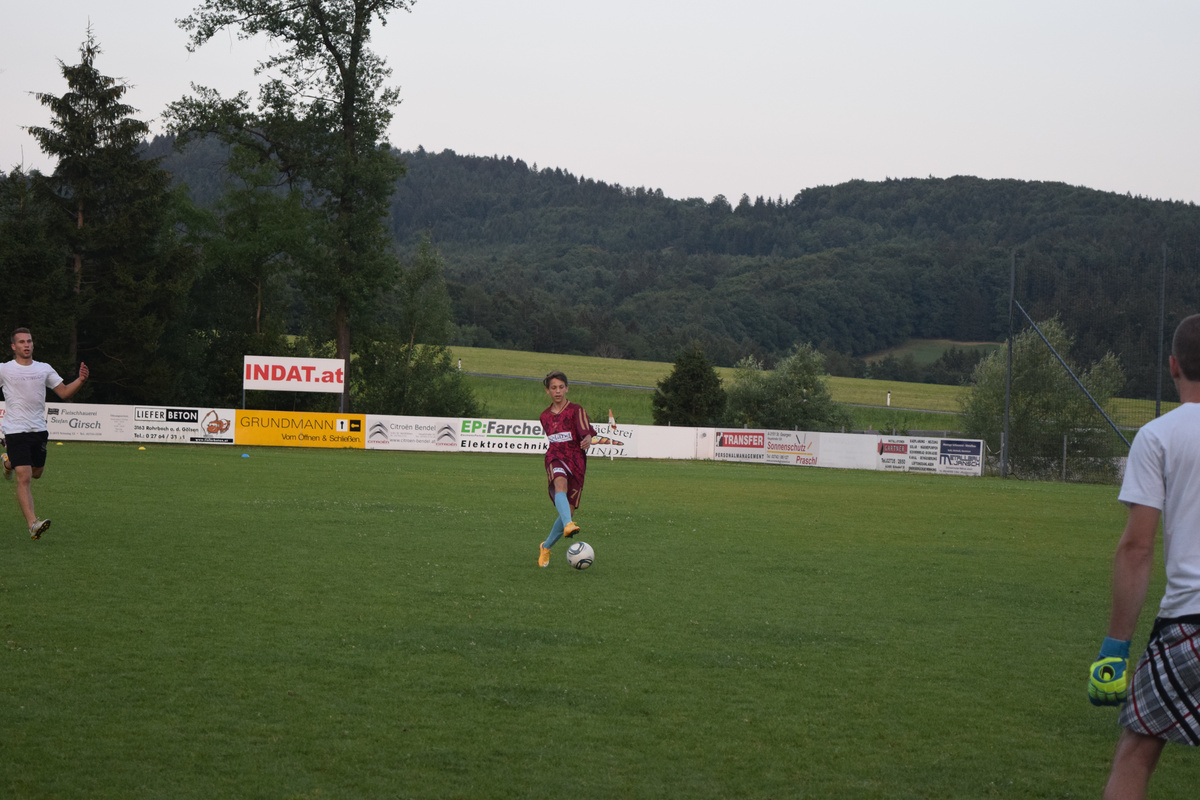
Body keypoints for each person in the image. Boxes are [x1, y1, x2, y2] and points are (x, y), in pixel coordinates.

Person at [1089, 313, 1200, 799]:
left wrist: (1115, 648)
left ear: (1173, 365)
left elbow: (1137, 548)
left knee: (1135, 755)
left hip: (1188, 624)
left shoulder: (1158, 436)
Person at [1, 328, 88, 539]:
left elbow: (64, 392)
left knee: (37, 472)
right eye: (21, 342)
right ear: (13, 347)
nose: (26, 345)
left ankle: (8, 462)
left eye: (29, 341)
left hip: (39, 429)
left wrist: (80, 380)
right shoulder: (4, 369)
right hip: (15, 430)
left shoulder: (44, 369)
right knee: (24, 478)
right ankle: (33, 524)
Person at [537, 371, 596, 567]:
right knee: (559, 484)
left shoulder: (576, 410)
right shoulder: (544, 416)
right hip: (555, 458)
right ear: (548, 391)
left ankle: (546, 546)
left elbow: (587, 432)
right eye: (553, 388)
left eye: (561, 387)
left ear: (567, 389)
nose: (558, 391)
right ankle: (568, 525)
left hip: (576, 462)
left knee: (568, 511)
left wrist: (587, 439)